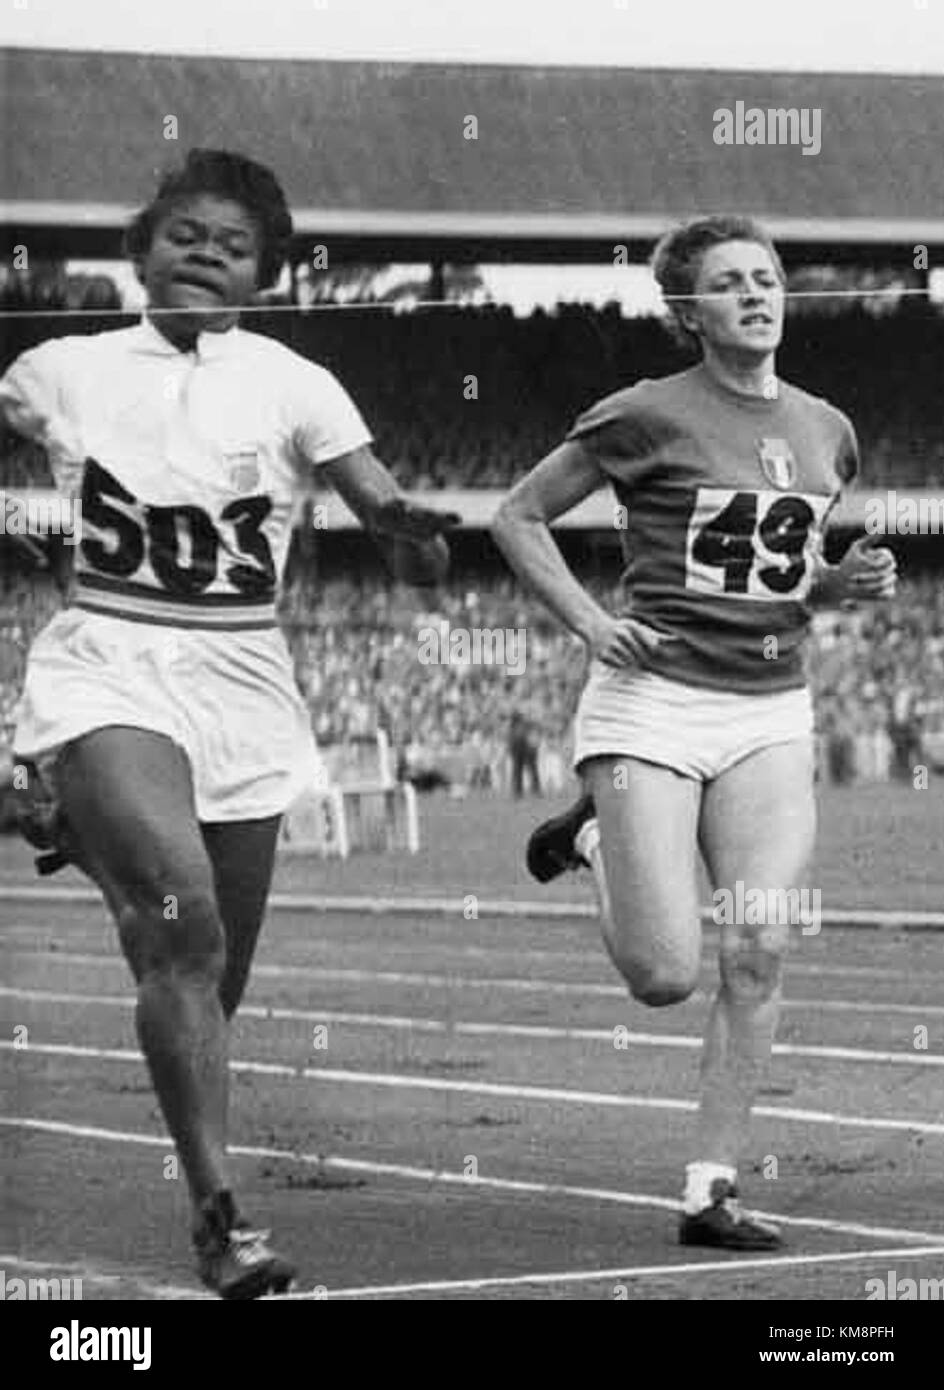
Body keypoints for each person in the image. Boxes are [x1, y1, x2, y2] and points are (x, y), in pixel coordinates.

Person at [0, 149, 458, 1298]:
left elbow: (410, 560)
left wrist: (413, 532)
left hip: (244, 684)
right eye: (185, 232)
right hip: (109, 665)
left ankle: (63, 815)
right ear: (141, 248)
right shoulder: (60, 366)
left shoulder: (298, 383)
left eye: (233, 242)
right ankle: (220, 1221)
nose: (205, 251)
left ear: (264, 269)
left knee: (210, 976)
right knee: (180, 922)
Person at [491, 215, 896, 1250]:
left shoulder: (826, 429)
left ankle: (708, 1188)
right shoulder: (641, 414)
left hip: (768, 705)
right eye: (728, 284)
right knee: (663, 973)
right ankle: (588, 833)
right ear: (686, 311)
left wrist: (834, 581)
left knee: (757, 944)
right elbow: (516, 516)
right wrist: (588, 621)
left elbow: (767, 562)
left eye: (765, 278)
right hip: (654, 703)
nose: (755, 295)